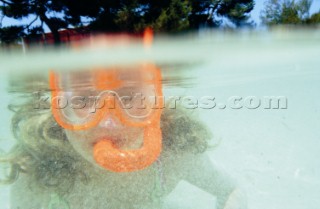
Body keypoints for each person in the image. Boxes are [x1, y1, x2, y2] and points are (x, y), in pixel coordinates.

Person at [1, 63, 247, 209]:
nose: (108, 122)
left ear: (155, 105)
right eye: (84, 100)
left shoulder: (173, 153)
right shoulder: (37, 170)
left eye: (129, 97)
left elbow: (231, 190)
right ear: (58, 109)